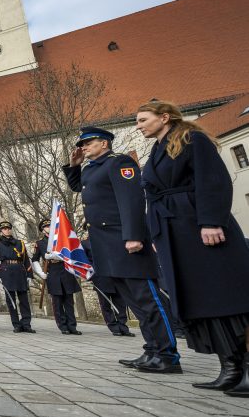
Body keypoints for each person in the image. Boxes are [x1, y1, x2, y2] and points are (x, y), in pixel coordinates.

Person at [137, 101, 249, 395]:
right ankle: (230, 367)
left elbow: (213, 181)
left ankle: (246, 366)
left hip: (201, 227)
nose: (139, 125)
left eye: (142, 119)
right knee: (204, 300)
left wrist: (211, 221)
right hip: (175, 233)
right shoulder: (158, 150)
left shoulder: (191, 139)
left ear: (164, 117)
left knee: (227, 296)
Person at [63, 126, 180, 373]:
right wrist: (73, 166)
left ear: (104, 143)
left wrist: (134, 236)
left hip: (124, 239)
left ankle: (168, 354)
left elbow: (132, 200)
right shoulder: (92, 168)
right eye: (82, 144)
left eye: (88, 142)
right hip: (105, 242)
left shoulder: (120, 163)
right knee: (132, 300)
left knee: (147, 298)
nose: (83, 147)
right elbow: (80, 188)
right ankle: (153, 349)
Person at [31, 219, 82, 335]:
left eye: (51, 226)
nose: (49, 228)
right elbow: (34, 260)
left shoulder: (62, 239)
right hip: (52, 272)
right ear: (43, 230)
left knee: (69, 301)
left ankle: (72, 326)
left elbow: (70, 253)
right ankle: (62, 326)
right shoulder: (40, 243)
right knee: (57, 302)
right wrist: (41, 273)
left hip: (65, 270)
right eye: (47, 226)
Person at [82, 227, 133, 337]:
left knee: (120, 303)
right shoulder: (85, 243)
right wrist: (91, 276)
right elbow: (85, 263)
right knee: (105, 304)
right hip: (100, 278)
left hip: (116, 276)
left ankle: (123, 326)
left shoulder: (108, 239)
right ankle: (114, 327)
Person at [0, 221, 36, 333]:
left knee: (24, 299)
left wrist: (29, 274)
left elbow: (26, 260)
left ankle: (26, 324)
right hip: (6, 271)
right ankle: (16, 324)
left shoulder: (20, 243)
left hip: (20, 270)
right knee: (11, 300)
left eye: (8, 228)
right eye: (4, 229)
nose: (7, 230)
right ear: (1, 231)